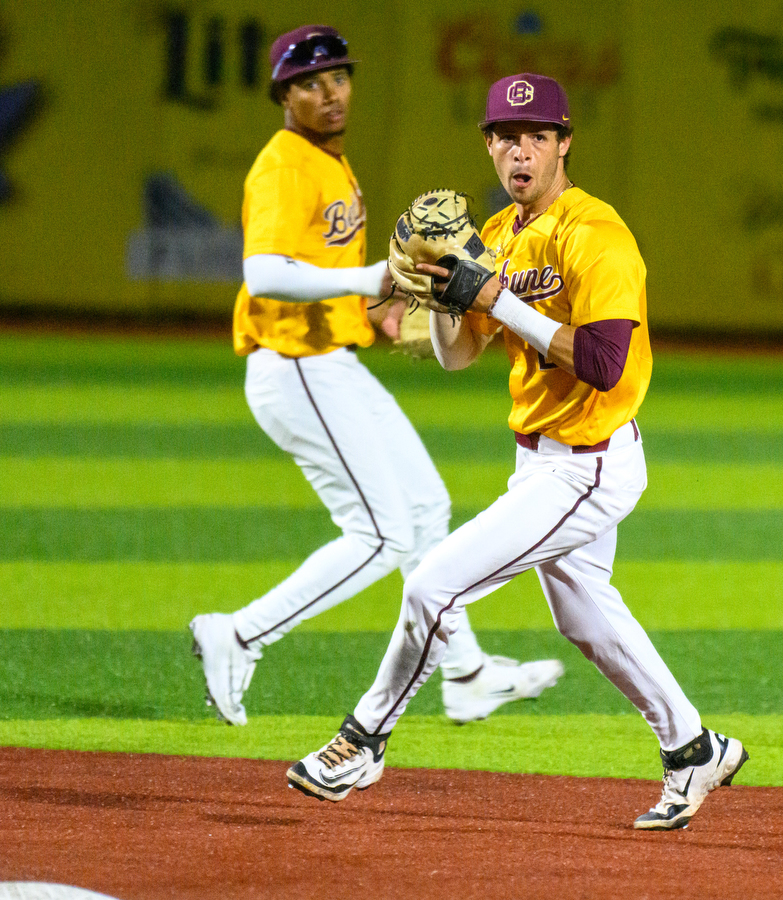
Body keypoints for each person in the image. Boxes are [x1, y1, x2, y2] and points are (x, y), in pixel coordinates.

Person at [287, 73, 747, 831]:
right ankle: (694, 748)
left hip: (588, 464)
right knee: (587, 621)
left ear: (564, 144)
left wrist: (496, 299)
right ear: (489, 146)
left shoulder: (596, 234)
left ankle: (363, 742)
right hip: (539, 461)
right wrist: (445, 298)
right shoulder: (496, 235)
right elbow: (458, 356)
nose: (521, 151)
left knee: (432, 587)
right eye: (505, 137)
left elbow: (603, 362)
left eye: (537, 136)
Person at [188, 27, 563, 729]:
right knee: (382, 534)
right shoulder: (284, 165)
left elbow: (318, 269)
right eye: (310, 83)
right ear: (283, 96)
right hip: (294, 366)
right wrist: (370, 279)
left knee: (425, 507)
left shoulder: (329, 161)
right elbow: (263, 273)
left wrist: (375, 309)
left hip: (330, 359)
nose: (330, 93)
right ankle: (239, 634)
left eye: (339, 77)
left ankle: (466, 674)